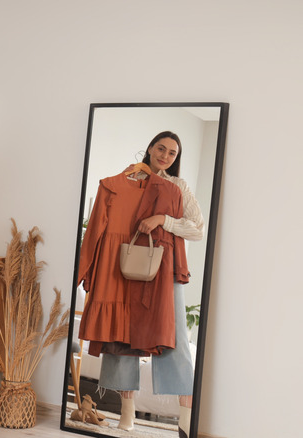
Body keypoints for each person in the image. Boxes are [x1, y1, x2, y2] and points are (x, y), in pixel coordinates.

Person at [105, 131, 204, 437]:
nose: (165, 155)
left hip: (166, 269)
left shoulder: (178, 186)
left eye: (172, 153)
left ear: (176, 158)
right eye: (161, 148)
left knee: (174, 337)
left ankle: (186, 419)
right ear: (149, 148)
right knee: (124, 335)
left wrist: (163, 218)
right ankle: (127, 412)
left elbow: (197, 229)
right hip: (127, 265)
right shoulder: (126, 180)